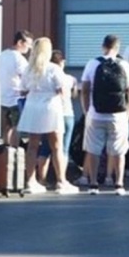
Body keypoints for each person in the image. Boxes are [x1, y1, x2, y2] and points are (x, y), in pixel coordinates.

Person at [17, 38, 77, 195]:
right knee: (56, 146)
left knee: (32, 145)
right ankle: (61, 181)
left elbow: (22, 90)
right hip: (51, 106)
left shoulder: (28, 69)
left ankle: (31, 181)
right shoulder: (53, 69)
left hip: (32, 106)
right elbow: (62, 89)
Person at [80, 35, 129, 196]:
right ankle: (119, 184)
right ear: (117, 48)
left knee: (93, 149)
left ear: (103, 46)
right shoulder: (124, 64)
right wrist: (127, 111)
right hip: (118, 114)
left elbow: (84, 89)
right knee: (118, 150)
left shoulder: (93, 63)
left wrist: (86, 109)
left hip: (95, 114)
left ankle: (93, 183)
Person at [37, 50, 77, 185]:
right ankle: (61, 179)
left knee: (45, 149)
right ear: (62, 62)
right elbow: (74, 95)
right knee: (63, 149)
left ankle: (41, 179)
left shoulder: (43, 76)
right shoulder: (70, 79)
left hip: (48, 114)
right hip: (66, 114)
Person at [0, 30, 32, 147]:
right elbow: (27, 77)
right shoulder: (19, 59)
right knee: (16, 126)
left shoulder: (2, 55)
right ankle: (14, 150)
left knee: (6, 126)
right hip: (16, 97)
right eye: (27, 44)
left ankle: (5, 150)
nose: (29, 48)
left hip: (2, 97)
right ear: (19, 42)